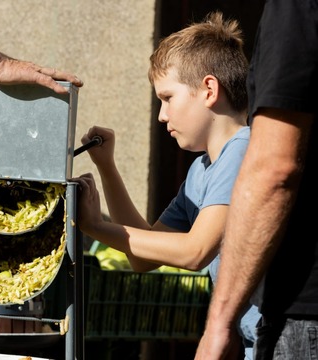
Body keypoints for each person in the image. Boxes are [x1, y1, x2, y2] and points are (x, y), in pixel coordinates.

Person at [71, 12, 259, 359]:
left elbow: (193, 251)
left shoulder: (243, 150)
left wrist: (95, 226)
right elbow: (144, 259)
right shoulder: (202, 170)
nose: (161, 115)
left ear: (208, 90)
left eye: (168, 98)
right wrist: (108, 168)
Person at [195, 1, 318, 359]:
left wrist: (220, 323)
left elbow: (274, 169)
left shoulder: (297, 8)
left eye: (168, 98)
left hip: (305, 312)